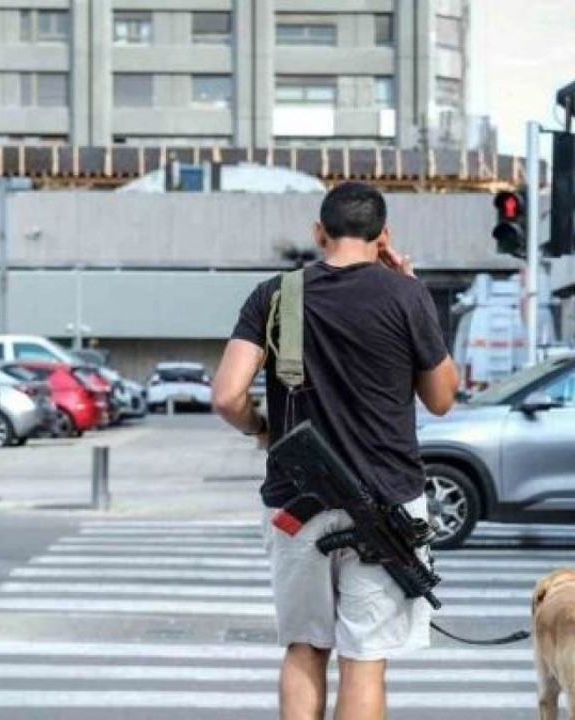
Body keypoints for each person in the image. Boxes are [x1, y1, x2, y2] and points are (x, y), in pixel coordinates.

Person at [212, 181, 459, 720]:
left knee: (305, 648)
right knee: (364, 659)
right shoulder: (406, 296)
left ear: (318, 233)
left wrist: (263, 431)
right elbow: (442, 400)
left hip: (297, 507)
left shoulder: (276, 295)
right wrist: (411, 285)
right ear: (384, 236)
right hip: (388, 505)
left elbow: (227, 396)